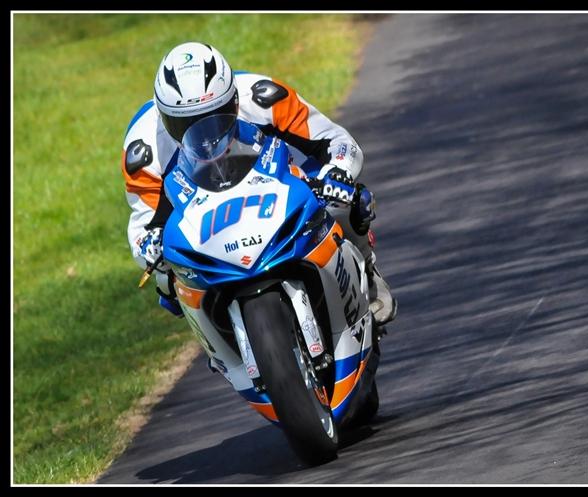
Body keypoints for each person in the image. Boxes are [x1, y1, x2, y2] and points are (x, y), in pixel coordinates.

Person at [122, 41, 397, 326]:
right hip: (206, 216)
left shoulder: (264, 97)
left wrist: (336, 173)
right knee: (167, 282)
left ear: (233, 100)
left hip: (287, 183)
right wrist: (148, 246)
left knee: (349, 200)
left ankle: (367, 270)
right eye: (185, 124)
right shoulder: (144, 149)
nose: (206, 137)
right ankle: (222, 350)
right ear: (164, 117)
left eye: (215, 116)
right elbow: (144, 224)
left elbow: (337, 141)